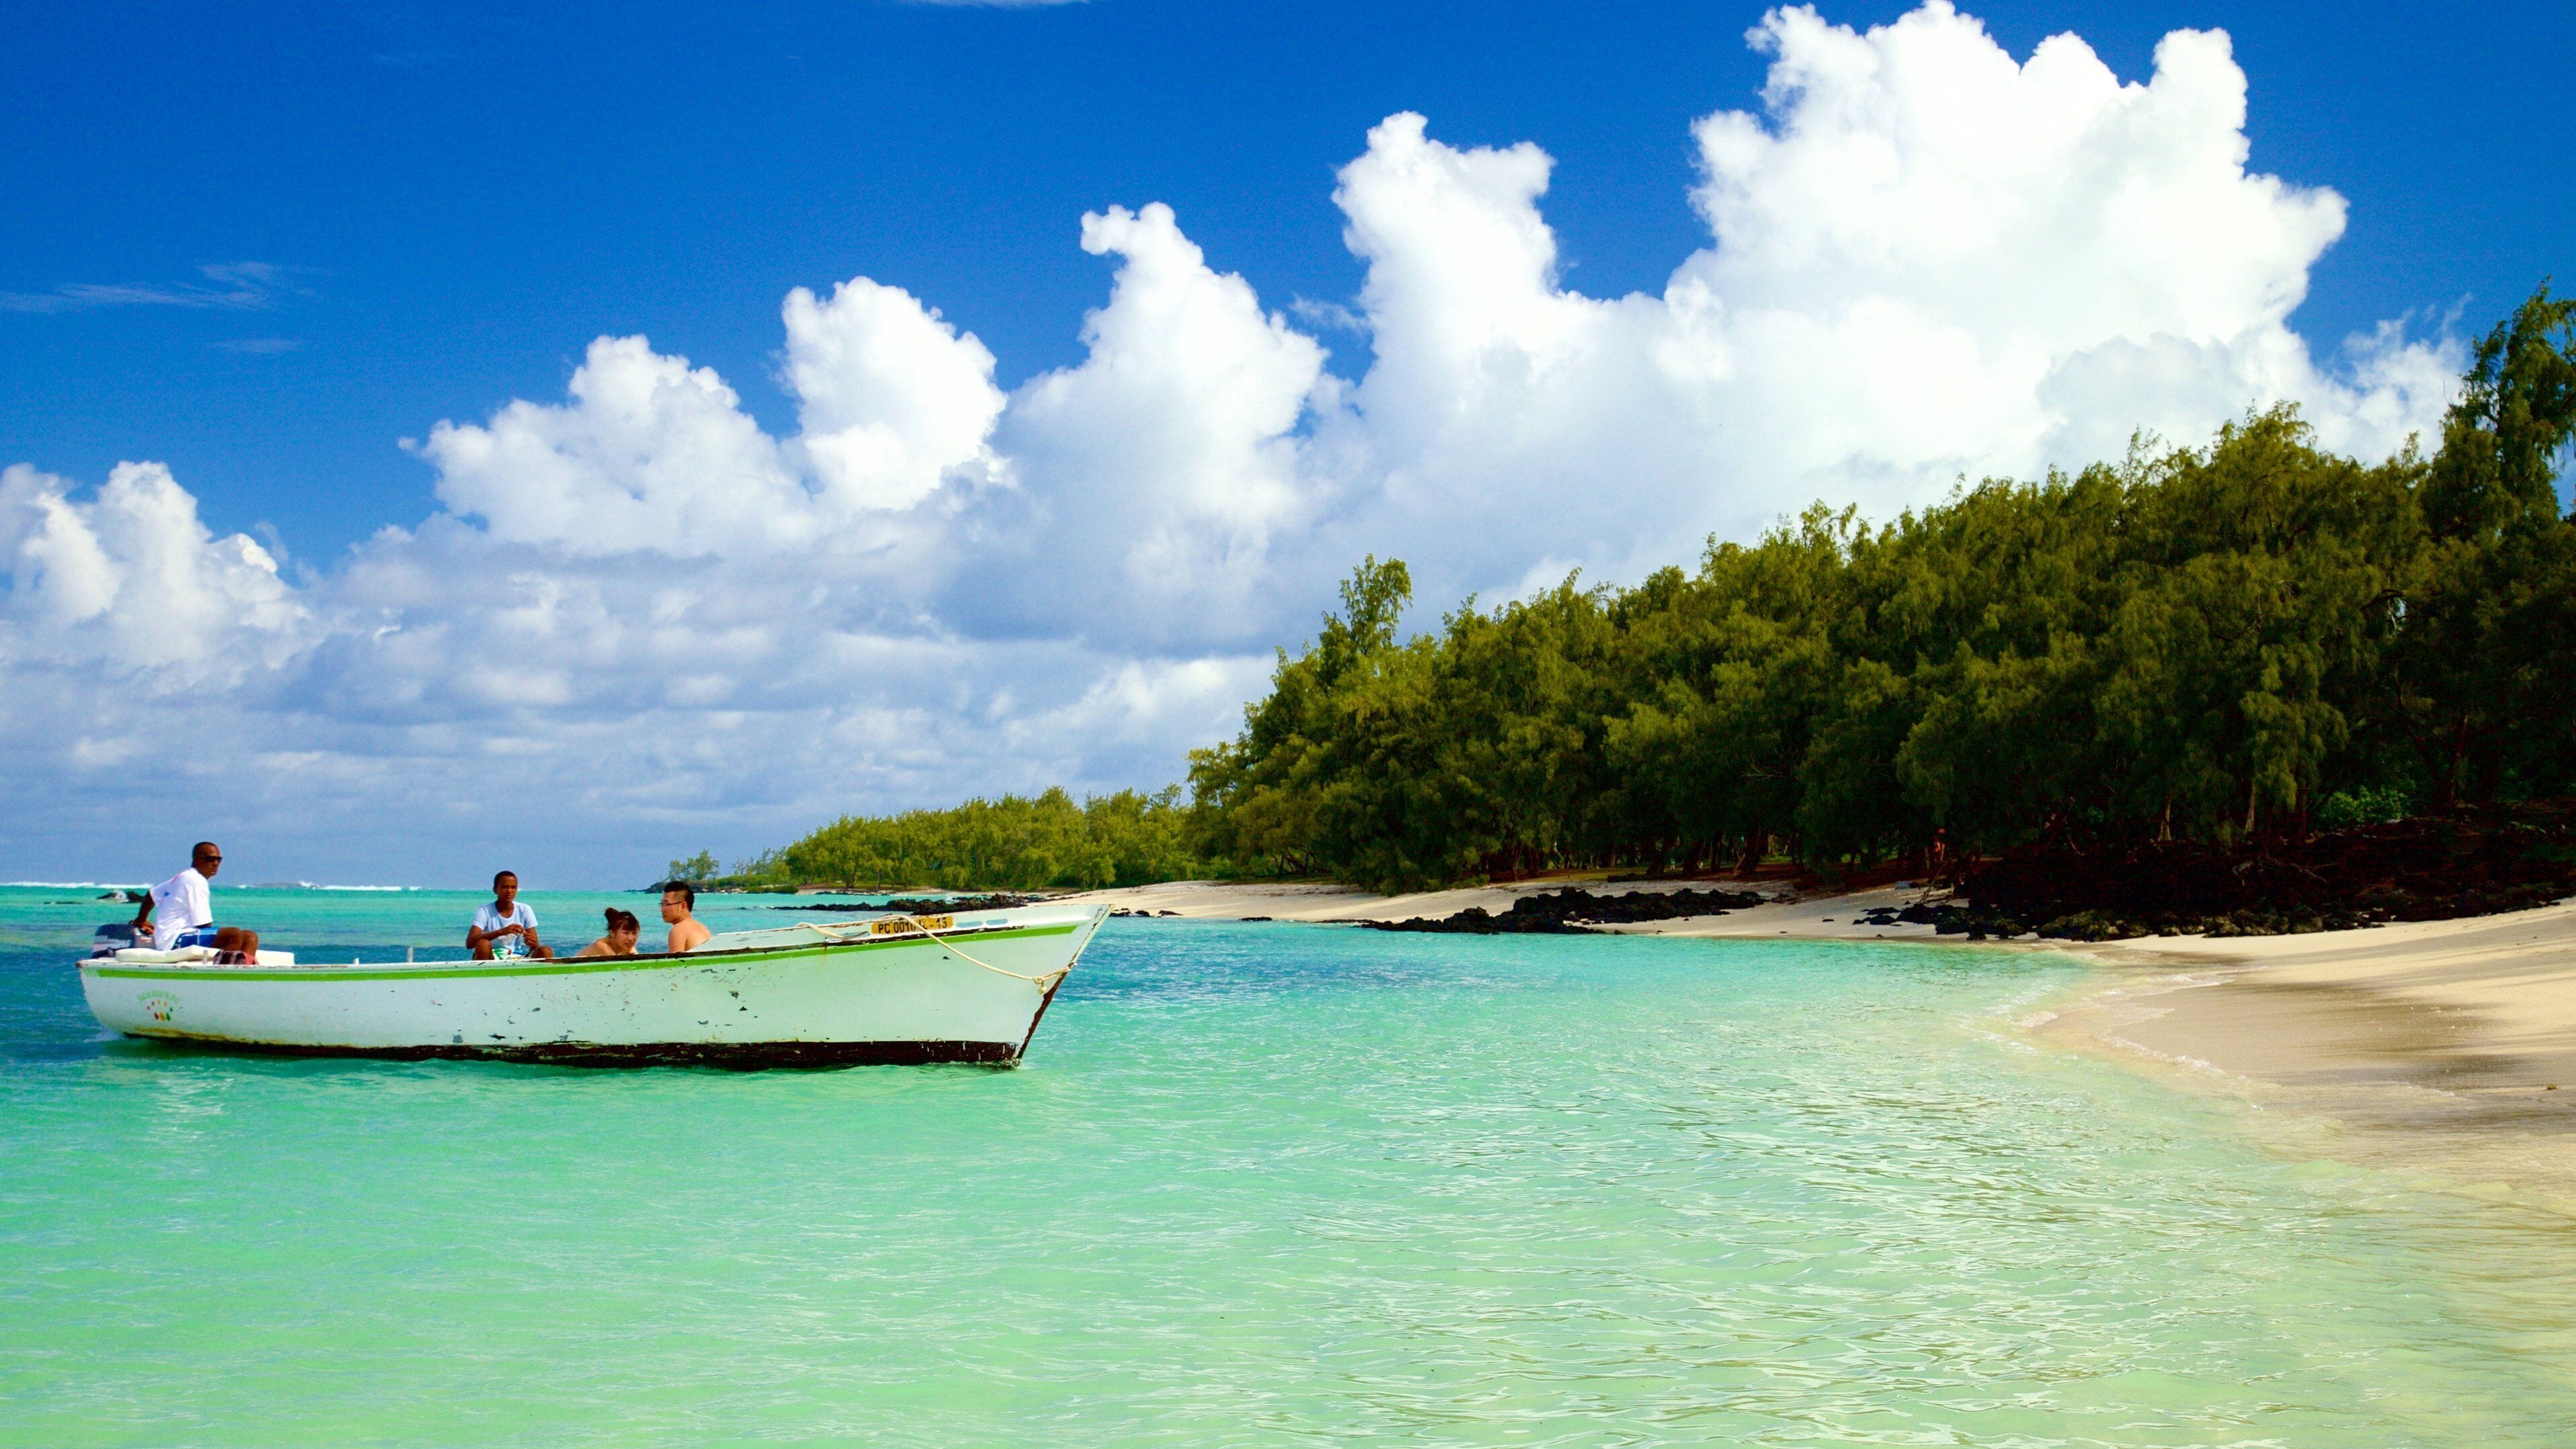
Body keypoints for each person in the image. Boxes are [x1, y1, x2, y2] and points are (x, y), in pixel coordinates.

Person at [131, 841, 261, 961]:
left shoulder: (184, 876)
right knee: (234, 935)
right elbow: (204, 925)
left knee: (250, 937)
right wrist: (220, 941)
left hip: (179, 935)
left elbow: (151, 894)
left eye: (218, 859)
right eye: (210, 859)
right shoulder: (195, 881)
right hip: (174, 940)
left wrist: (141, 920)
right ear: (197, 860)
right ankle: (220, 975)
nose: (215, 863)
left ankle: (242, 972)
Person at [467, 871, 553, 961]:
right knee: (483, 944)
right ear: (495, 890)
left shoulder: (524, 909)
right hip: (491, 956)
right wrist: (502, 932)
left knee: (546, 951)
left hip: (515, 956)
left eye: (513, 887)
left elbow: (534, 946)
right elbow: (470, 943)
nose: (509, 891)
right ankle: (485, 973)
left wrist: (533, 943)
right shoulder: (485, 910)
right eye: (505, 887)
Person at [659, 880, 711, 954]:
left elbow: (675, 963)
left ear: (683, 906)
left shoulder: (678, 930)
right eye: (662, 904)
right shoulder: (703, 927)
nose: (662, 909)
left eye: (667, 904)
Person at [574, 908, 642, 958]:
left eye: (635, 933)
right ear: (612, 932)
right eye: (626, 933)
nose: (631, 938)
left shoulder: (626, 946)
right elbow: (618, 966)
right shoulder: (601, 945)